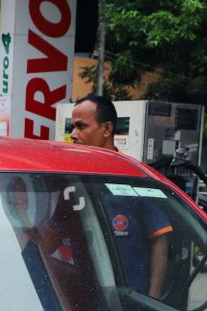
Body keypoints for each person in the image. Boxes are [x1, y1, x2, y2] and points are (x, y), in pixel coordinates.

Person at [68, 93, 171, 298]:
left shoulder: (133, 177)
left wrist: (153, 298)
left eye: (81, 126)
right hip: (84, 295)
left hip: (128, 299)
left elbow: (160, 238)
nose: (72, 134)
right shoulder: (71, 177)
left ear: (107, 129)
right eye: (72, 127)